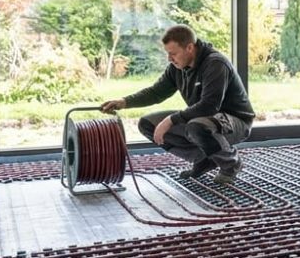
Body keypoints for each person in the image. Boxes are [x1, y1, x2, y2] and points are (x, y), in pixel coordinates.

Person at [100, 25, 255, 184]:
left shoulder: (215, 64)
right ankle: (203, 159)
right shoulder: (177, 68)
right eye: (167, 53)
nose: (169, 58)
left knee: (197, 127)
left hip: (236, 121)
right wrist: (124, 102)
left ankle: (231, 164)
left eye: (173, 53)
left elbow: (209, 106)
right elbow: (156, 92)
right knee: (147, 124)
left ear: (189, 48)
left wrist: (171, 120)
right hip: (203, 119)